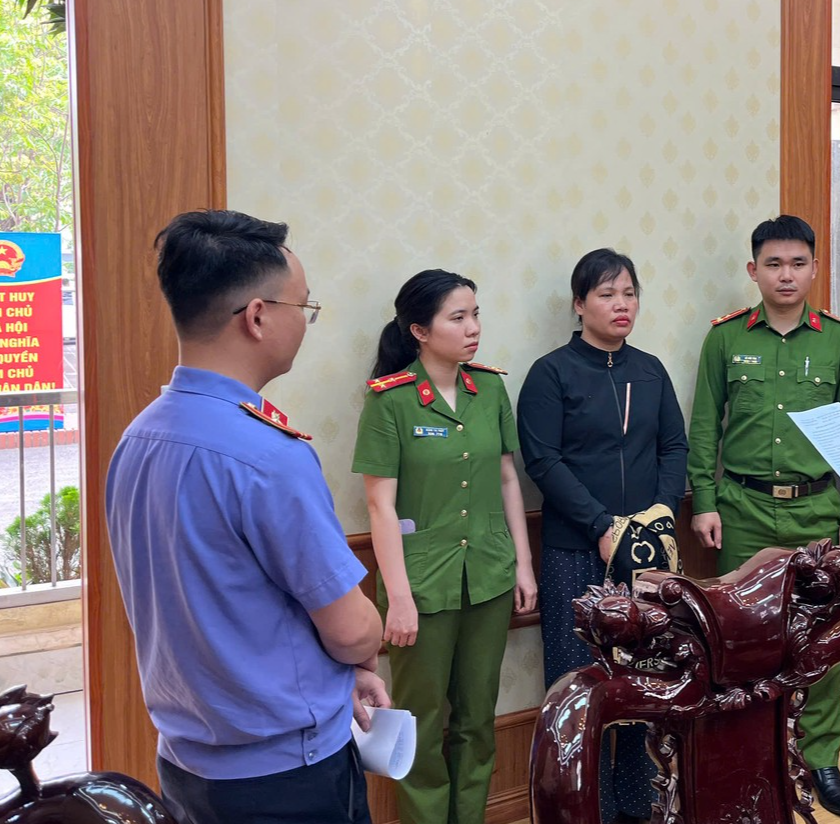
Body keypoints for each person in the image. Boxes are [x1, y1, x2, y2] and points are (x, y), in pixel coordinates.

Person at [105, 209, 389, 824]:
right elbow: (351, 630)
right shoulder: (267, 454)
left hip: (185, 760)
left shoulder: (138, 437)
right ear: (257, 317)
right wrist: (363, 648)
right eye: (304, 307)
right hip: (285, 775)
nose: (306, 322)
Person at [686, 214, 840, 817]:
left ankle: (821, 756)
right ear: (753, 270)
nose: (785, 274)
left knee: (820, 637)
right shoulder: (725, 339)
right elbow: (705, 425)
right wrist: (705, 502)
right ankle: (749, 749)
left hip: (817, 511)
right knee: (742, 638)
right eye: (773, 264)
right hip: (742, 508)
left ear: (815, 269)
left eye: (797, 263)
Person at [352, 269, 537, 824]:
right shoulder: (391, 400)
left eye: (475, 314)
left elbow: (507, 479)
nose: (473, 327)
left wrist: (523, 566)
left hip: (489, 574)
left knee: (478, 719)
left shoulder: (490, 389)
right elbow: (379, 507)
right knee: (421, 722)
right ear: (419, 330)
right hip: (421, 585)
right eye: (458, 317)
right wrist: (398, 598)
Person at [517, 249, 688, 824]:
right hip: (575, 550)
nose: (622, 305)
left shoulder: (651, 369)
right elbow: (543, 461)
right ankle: (591, 809)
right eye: (607, 294)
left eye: (630, 293)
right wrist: (601, 526)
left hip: (646, 552)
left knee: (643, 680)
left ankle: (638, 803)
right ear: (579, 304)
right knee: (581, 687)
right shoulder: (551, 373)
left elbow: (673, 447)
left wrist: (660, 515)